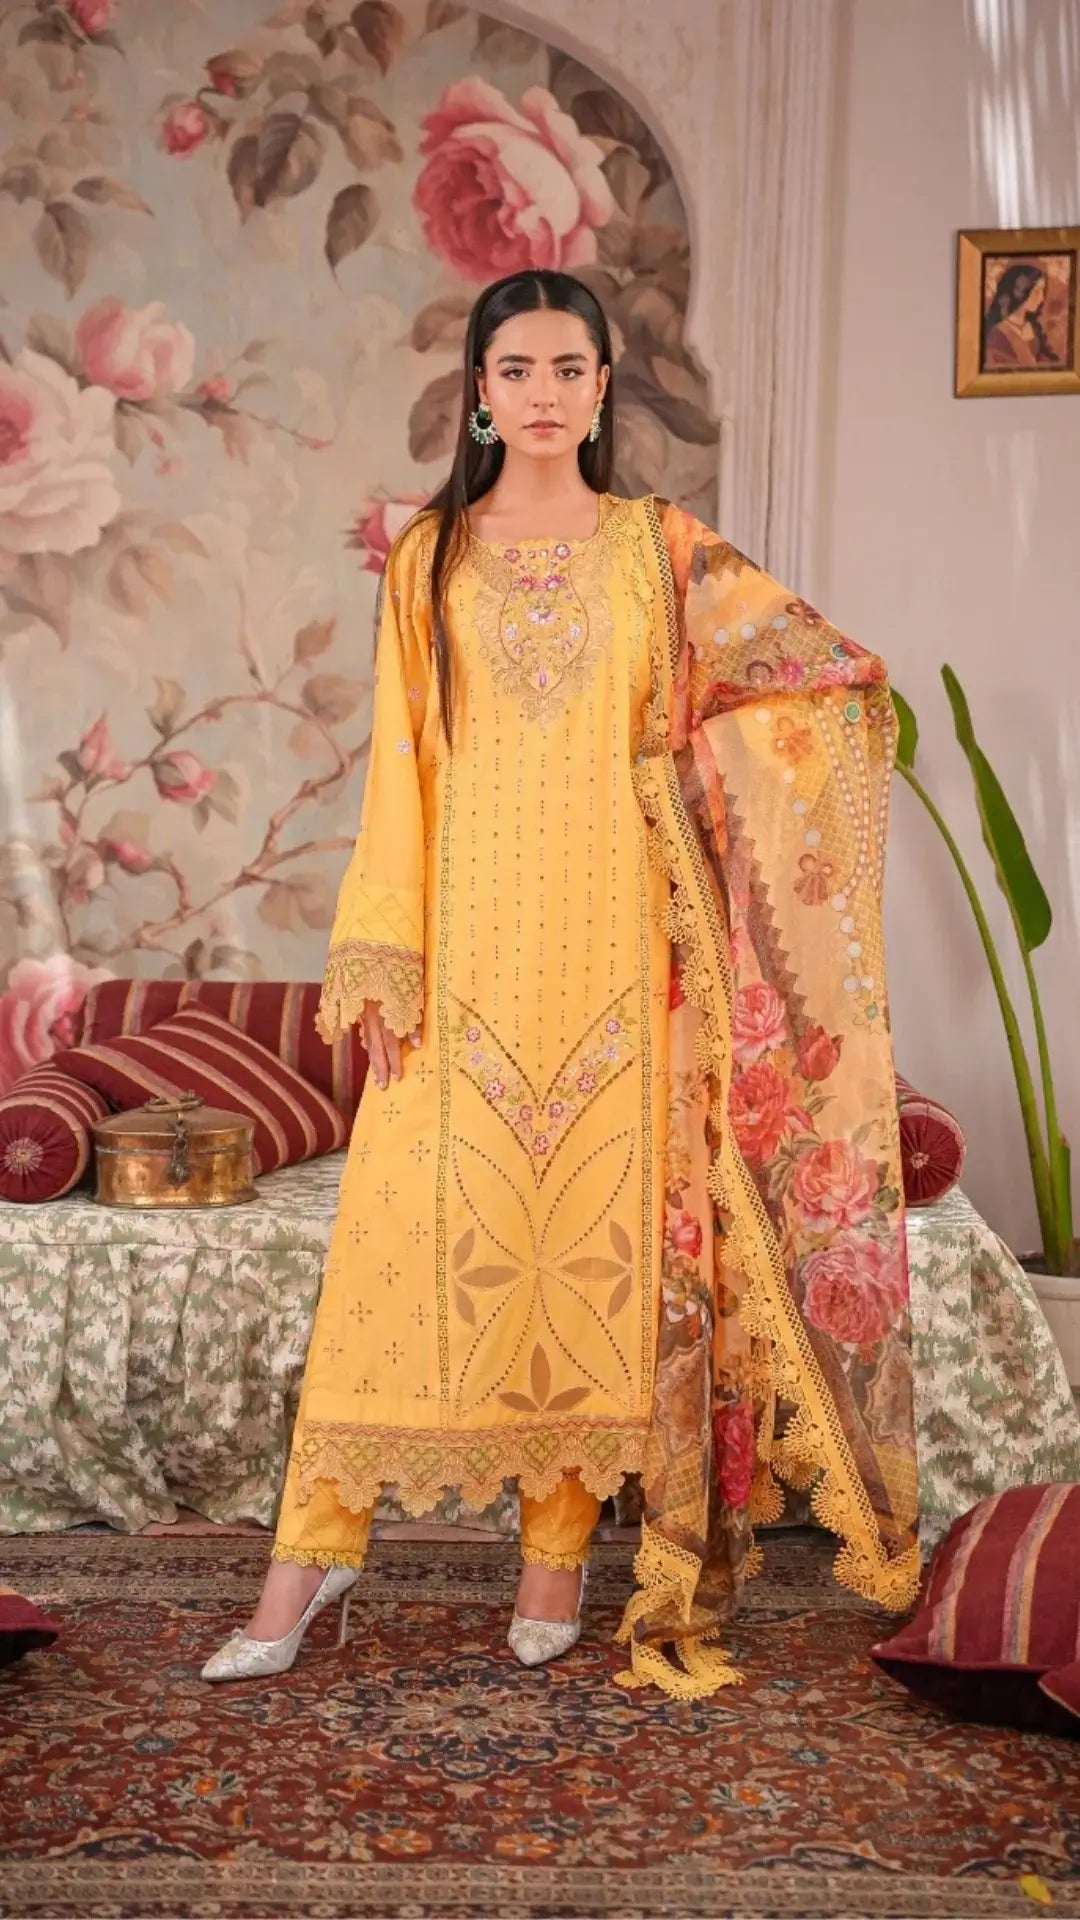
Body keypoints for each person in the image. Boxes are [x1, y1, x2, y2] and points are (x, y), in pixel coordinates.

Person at [202, 270, 919, 1699]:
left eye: (568, 367)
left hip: (616, 964)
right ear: (478, 389)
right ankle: (313, 1550)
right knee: (397, 1265)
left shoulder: (661, 550)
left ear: (602, 391)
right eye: (515, 367)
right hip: (462, 958)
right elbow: (398, 771)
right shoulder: (429, 559)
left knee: (587, 1257)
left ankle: (554, 1556)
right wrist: (385, 954)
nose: (542, 391)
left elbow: (821, 685)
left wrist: (696, 784)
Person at [982, 261, 1057, 369]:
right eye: (1036, 291)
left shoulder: (1035, 328)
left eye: (1042, 290)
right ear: (1020, 291)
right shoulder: (997, 333)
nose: (1041, 298)